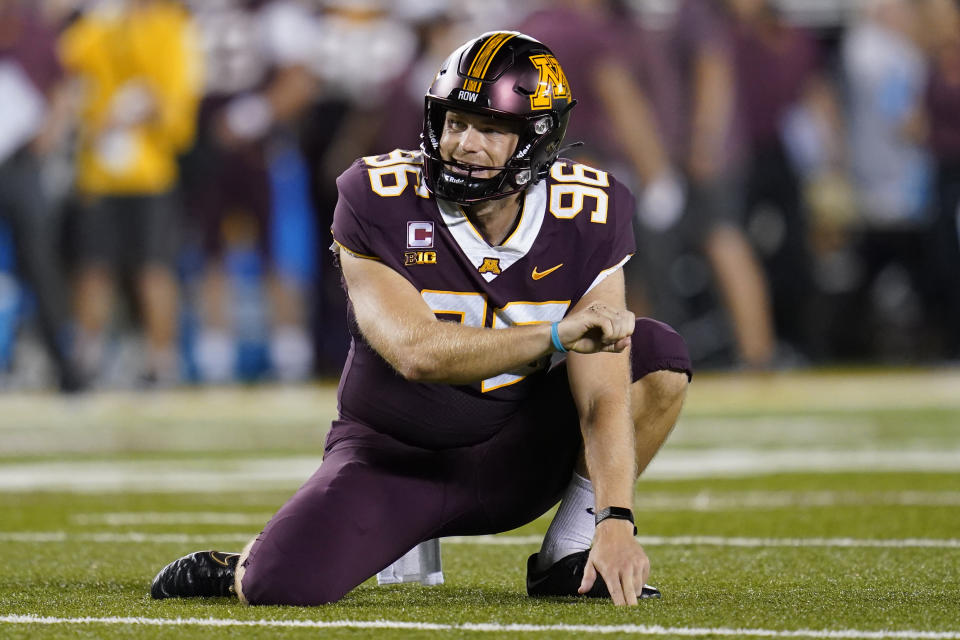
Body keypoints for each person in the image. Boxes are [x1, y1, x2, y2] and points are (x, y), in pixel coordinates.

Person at [150, 31, 691, 607]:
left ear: (536, 138)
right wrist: (555, 335)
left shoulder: (589, 210)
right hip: (394, 458)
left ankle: (570, 554)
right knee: (279, 586)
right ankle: (240, 562)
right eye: (455, 122)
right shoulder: (376, 195)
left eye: (489, 128)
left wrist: (614, 518)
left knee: (655, 356)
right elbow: (418, 353)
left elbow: (600, 393)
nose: (464, 144)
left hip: (513, 456)